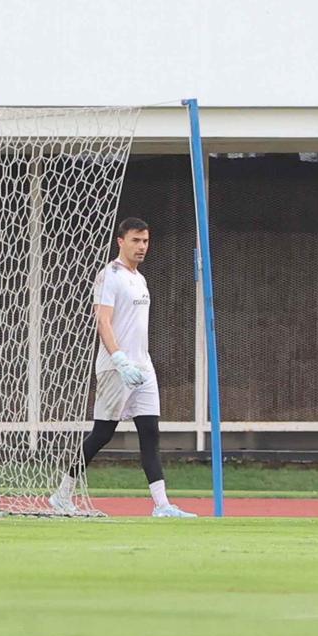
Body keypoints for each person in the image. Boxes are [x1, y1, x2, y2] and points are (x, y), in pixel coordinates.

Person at [49, 218, 195, 518]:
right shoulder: (109, 276)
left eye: (145, 241)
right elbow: (103, 321)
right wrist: (119, 358)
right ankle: (62, 494)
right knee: (102, 433)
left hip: (142, 367)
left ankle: (162, 505)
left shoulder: (139, 279)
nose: (141, 246)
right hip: (116, 367)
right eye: (135, 241)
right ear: (121, 241)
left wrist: (136, 361)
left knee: (150, 432)